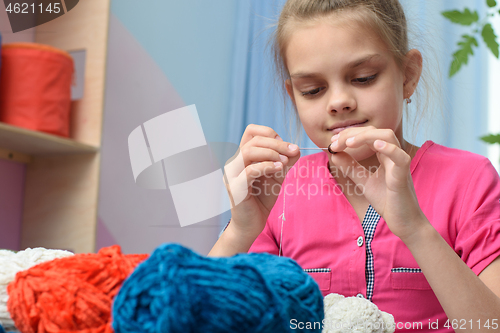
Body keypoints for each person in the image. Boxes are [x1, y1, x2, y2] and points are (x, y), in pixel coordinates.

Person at [209, 0, 500, 330]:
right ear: (293, 96)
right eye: (313, 90)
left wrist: (416, 230)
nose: (338, 102)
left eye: (363, 78)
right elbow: (189, 319)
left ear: (408, 75)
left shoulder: (469, 181)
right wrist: (239, 231)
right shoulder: (278, 192)